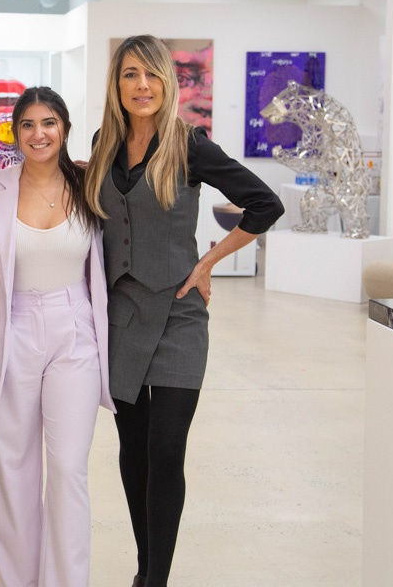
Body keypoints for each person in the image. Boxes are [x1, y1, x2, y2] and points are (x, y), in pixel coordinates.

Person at [83, 35, 284, 587]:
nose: (141, 86)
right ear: (116, 83)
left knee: (166, 451)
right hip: (122, 316)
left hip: (177, 316)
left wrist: (210, 261)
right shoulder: (104, 142)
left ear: (167, 82)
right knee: (133, 451)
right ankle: (146, 566)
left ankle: (154, 580)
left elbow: (266, 204)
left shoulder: (189, 144)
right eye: (129, 74)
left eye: (151, 74)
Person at [0, 87, 115, 586]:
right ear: (15, 133)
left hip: (74, 330)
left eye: (50, 123)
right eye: (29, 125)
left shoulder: (88, 183)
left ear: (64, 129)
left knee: (67, 470)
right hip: (12, 328)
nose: (39, 134)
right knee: (12, 467)